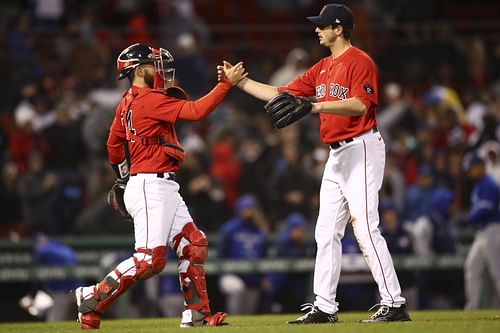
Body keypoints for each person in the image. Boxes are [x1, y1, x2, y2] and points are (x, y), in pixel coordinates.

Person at [219, 3, 410, 323]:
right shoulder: (321, 67)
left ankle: (394, 302)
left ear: (339, 29)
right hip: (336, 154)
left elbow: (360, 106)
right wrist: (240, 83)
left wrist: (315, 106)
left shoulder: (360, 61)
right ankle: (324, 306)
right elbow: (281, 93)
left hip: (362, 147)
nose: (317, 29)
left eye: (323, 25)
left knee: (364, 227)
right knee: (325, 231)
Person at [74, 43, 246, 329]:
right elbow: (196, 111)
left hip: (156, 184)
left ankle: (198, 315)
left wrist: (124, 176)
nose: (162, 71)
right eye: (156, 65)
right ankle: (91, 297)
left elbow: (113, 145)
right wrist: (225, 85)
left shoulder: (127, 101)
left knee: (193, 244)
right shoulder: (148, 100)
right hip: (150, 186)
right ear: (140, 70)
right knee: (148, 261)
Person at [217, 194, 269, 315]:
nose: (248, 212)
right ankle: (233, 318)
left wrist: (264, 277)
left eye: (251, 209)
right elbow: (221, 253)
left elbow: (264, 255)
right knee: (237, 288)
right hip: (231, 274)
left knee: (248, 312)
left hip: (253, 278)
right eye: (246, 209)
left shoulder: (259, 230)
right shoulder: (230, 229)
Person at [462, 154, 500, 310]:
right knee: (472, 267)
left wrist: (468, 218)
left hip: (493, 230)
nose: (470, 172)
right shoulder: (479, 185)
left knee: (497, 272)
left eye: (473, 168)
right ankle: (473, 307)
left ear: (481, 166)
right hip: (482, 233)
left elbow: (486, 208)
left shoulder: (489, 184)